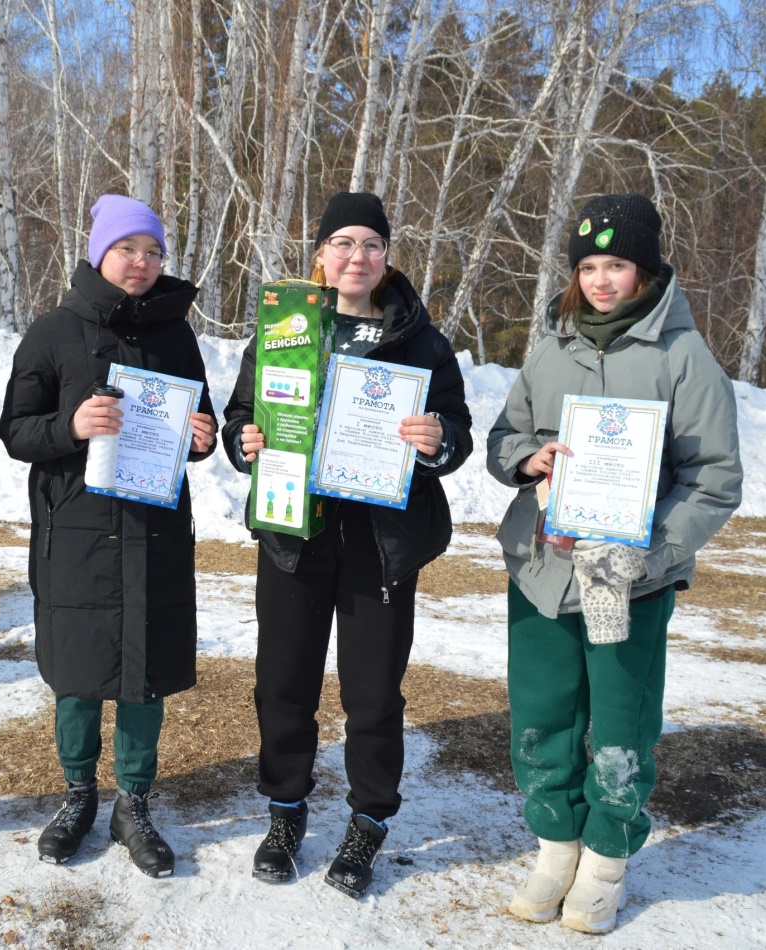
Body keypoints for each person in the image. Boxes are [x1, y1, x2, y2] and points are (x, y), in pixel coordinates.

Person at [487, 193, 742, 933]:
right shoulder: (552, 347)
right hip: (542, 565)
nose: (600, 279)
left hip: (618, 576)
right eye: (589, 265)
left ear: (646, 270)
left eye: (617, 264)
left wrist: (649, 554)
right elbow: (508, 434)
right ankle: (554, 847)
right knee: (541, 713)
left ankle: (604, 858)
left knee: (618, 719)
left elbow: (714, 478)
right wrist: (524, 457)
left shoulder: (681, 357)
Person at [221, 192, 474, 897]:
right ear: (321, 256)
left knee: (371, 696)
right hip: (293, 536)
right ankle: (285, 810)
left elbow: (457, 431)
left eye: (369, 244)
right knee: (283, 684)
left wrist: (437, 440)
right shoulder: (286, 330)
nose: (355, 256)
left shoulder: (421, 340)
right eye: (342, 243)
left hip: (379, 543)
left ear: (386, 257)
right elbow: (247, 413)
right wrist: (247, 442)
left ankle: (367, 821)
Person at [0, 194, 217, 878]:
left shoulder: (176, 336)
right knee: (78, 672)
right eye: (129, 249)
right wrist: (72, 428)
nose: (142, 263)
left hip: (154, 527)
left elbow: (198, 420)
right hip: (80, 531)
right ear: (100, 253)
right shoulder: (54, 330)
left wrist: (200, 437)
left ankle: (134, 803)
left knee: (143, 671)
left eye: (153, 252)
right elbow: (15, 430)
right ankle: (77, 797)